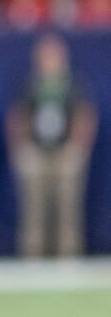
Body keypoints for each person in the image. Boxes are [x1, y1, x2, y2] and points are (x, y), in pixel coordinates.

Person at [7, 33, 96, 258]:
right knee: (34, 209)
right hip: (37, 151)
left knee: (67, 208)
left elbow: (84, 117)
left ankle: (69, 254)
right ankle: (33, 254)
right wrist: (20, 149)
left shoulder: (72, 84)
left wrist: (78, 148)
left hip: (64, 151)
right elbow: (18, 118)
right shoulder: (30, 84)